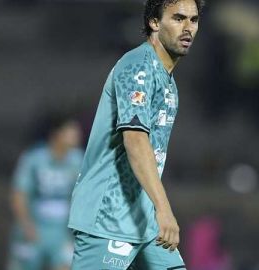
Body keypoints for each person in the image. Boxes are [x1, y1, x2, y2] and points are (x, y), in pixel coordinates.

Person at [67, 0, 203, 269]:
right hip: (109, 217)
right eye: (178, 18)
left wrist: (155, 210)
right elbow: (135, 140)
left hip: (144, 221)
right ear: (154, 22)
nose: (188, 28)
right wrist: (163, 208)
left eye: (194, 20)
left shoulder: (168, 82)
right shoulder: (138, 67)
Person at [7, 116, 84, 270]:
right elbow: (19, 194)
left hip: (62, 231)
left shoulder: (78, 159)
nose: (77, 136)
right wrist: (26, 224)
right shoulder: (34, 159)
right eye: (71, 132)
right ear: (57, 134)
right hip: (34, 226)